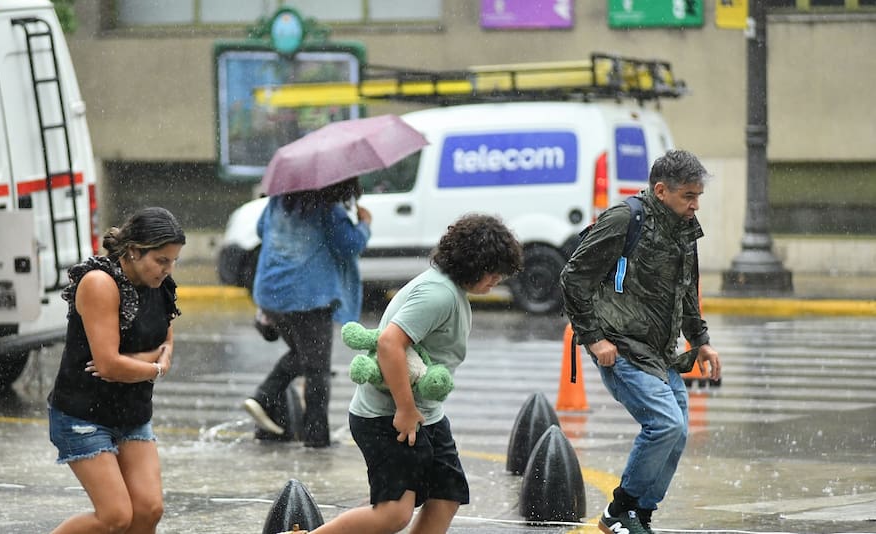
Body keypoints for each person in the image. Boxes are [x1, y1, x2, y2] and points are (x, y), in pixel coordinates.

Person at [308, 213, 523, 534]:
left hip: (427, 415)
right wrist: (406, 410)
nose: (496, 280)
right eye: (492, 272)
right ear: (472, 264)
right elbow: (388, 344)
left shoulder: (450, 289)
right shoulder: (438, 295)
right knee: (393, 513)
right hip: (387, 417)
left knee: (445, 496)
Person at [560, 149, 721, 534]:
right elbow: (572, 278)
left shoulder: (684, 228)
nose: (695, 205)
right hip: (622, 345)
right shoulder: (624, 219)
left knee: (678, 431)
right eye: (689, 196)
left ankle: (639, 516)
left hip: (660, 350)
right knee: (663, 424)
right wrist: (594, 339)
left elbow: (686, 291)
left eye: (698, 196)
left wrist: (700, 342)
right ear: (662, 190)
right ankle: (621, 510)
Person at [47, 206, 185, 533]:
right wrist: (154, 367)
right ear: (134, 251)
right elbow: (109, 365)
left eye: (173, 260)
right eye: (161, 260)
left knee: (148, 510)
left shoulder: (160, 284)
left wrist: (142, 361)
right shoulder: (100, 283)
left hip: (132, 412)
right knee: (115, 517)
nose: (168, 269)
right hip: (83, 416)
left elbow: (166, 337)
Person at [243, 178, 371, 448]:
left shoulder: (278, 202)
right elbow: (349, 245)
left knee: (304, 357)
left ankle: (268, 404)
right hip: (309, 297)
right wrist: (364, 224)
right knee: (317, 369)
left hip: (272, 294)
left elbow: (260, 230)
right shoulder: (327, 208)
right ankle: (314, 437)